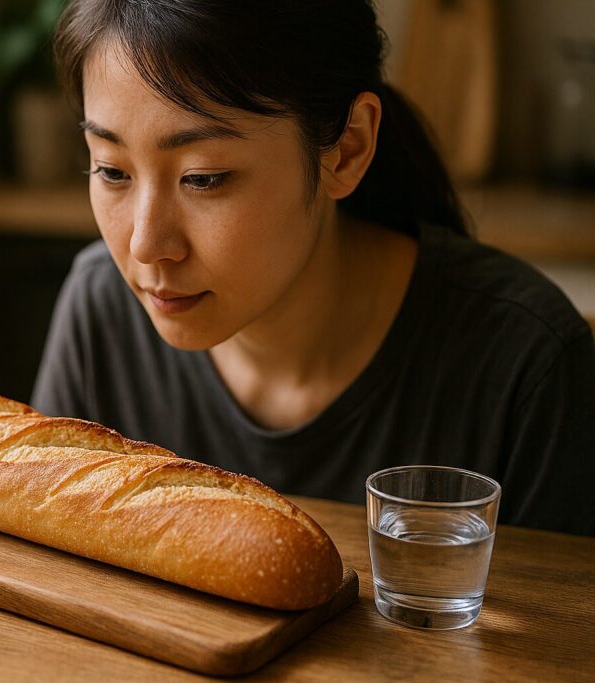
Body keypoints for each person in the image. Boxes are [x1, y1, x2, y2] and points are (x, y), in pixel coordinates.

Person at [30, 0, 595, 535]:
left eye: (203, 178)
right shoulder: (99, 305)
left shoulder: (529, 365)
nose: (146, 245)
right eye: (111, 171)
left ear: (346, 150)